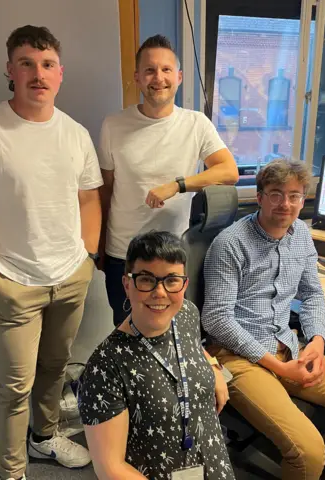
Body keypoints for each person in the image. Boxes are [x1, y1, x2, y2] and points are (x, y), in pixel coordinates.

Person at [0, 25, 102, 480]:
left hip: (71, 276)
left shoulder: (75, 133)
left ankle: (45, 437)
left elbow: (90, 198)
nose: (38, 73)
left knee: (54, 369)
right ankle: (13, 472)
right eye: (27, 63)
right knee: (13, 388)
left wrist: (87, 259)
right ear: (10, 70)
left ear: (60, 73)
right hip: (14, 284)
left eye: (47, 64)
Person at [201, 159, 325, 479]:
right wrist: (279, 367)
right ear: (259, 197)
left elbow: (313, 293)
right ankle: (309, 462)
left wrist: (316, 341)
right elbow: (216, 318)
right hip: (239, 356)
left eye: (294, 196)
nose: (285, 204)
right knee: (306, 450)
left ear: (304, 199)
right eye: (275, 194)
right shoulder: (231, 243)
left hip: (289, 345)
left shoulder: (300, 233)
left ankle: (321, 468)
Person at [97, 34, 239, 326]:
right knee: (128, 335)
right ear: (137, 77)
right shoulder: (113, 125)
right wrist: (98, 248)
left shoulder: (195, 123)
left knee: (170, 334)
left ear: (179, 77)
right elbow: (105, 191)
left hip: (172, 255)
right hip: (123, 253)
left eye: (165, 70)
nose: (158, 78)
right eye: (149, 70)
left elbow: (229, 171)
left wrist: (178, 184)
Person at [79, 231, 235, 480]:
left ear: (184, 284)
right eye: (146, 279)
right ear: (127, 285)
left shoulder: (185, 313)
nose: (160, 292)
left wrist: (213, 366)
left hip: (212, 462)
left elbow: (193, 345)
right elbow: (111, 468)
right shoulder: (105, 368)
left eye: (171, 280)